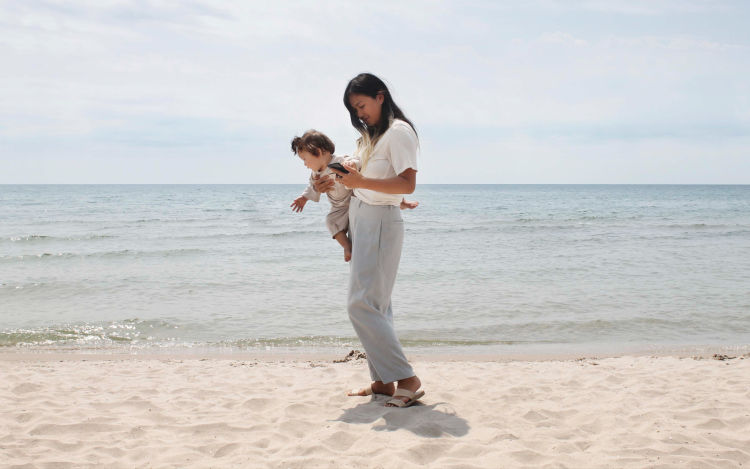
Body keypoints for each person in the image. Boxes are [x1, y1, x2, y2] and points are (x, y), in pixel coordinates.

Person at [315, 73, 425, 408]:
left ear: (380, 96)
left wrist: (361, 179)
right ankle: (381, 383)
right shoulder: (369, 137)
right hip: (362, 218)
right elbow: (359, 180)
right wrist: (335, 179)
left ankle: (406, 378)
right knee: (375, 305)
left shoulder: (399, 132)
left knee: (360, 304)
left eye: (362, 106)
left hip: (380, 220)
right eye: (354, 109)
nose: (359, 114)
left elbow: (407, 185)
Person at [290, 129, 419, 262]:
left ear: (318, 152)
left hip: (353, 197)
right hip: (339, 207)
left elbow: (355, 160)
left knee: (377, 189)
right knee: (330, 221)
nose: (305, 164)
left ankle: (401, 202)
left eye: (305, 159)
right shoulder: (316, 174)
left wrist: (352, 164)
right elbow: (312, 185)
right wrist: (304, 198)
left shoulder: (337, 162)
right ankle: (346, 246)